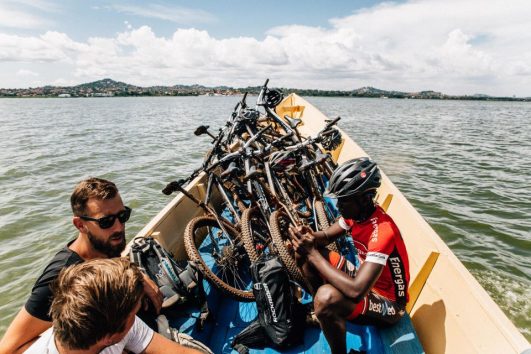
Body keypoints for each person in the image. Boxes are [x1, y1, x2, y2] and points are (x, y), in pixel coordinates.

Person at [0, 177, 163, 354]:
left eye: (122, 216)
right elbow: (8, 348)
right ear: (80, 225)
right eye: (106, 222)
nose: (118, 227)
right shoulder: (60, 278)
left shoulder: (105, 246)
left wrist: (135, 274)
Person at [289, 157, 410, 354]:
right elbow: (327, 235)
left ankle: (328, 316)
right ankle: (324, 313)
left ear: (363, 198)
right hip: (364, 281)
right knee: (303, 252)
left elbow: (356, 291)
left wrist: (313, 253)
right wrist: (309, 236)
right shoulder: (357, 215)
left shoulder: (383, 231)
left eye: (343, 200)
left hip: (390, 304)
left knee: (326, 297)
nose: (338, 206)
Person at [24, 258, 199, 353]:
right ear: (112, 336)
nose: (136, 318)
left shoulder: (111, 323)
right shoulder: (115, 323)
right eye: (134, 313)